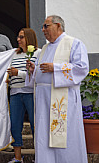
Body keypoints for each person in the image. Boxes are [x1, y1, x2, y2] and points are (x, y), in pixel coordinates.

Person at [26, 15, 89, 163]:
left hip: (62, 102)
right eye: (43, 27)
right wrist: (33, 70)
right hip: (43, 101)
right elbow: (42, 75)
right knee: (44, 136)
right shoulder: (45, 48)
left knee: (65, 137)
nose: (43, 30)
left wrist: (56, 68)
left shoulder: (74, 44)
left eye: (46, 26)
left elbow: (82, 68)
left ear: (58, 26)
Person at [6, 28, 41, 163]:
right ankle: (17, 158)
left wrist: (18, 73)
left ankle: (39, 156)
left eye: (21, 37)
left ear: (29, 38)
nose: (18, 39)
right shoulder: (14, 54)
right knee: (15, 125)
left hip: (30, 93)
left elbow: (38, 73)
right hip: (15, 93)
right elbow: (8, 70)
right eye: (18, 37)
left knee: (35, 124)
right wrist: (8, 77)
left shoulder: (38, 53)